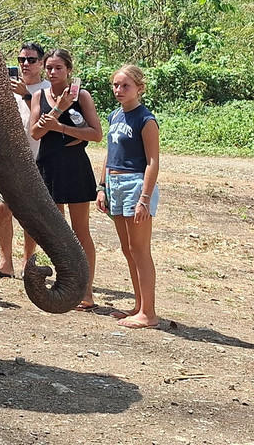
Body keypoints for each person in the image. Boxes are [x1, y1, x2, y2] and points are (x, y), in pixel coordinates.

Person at [30, 48, 103, 311]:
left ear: (69, 70)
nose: (53, 72)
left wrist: (60, 125)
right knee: (55, 230)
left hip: (74, 167)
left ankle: (87, 291)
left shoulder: (80, 96)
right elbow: (35, 133)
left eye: (58, 68)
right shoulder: (39, 95)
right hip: (48, 167)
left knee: (80, 230)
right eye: (49, 68)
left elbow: (96, 134)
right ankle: (64, 284)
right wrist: (56, 110)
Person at [97, 64, 161, 329]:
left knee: (140, 250)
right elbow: (109, 153)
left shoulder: (145, 120)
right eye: (115, 85)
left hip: (135, 185)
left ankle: (149, 313)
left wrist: (144, 198)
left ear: (139, 88)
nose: (119, 90)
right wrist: (101, 187)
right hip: (114, 183)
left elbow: (153, 161)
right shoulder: (115, 116)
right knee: (127, 249)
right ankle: (138, 306)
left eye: (125, 85)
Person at [0, 43, 48, 279]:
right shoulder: (8, 88)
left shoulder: (48, 89)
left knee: (31, 213)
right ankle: (5, 263)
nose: (25, 64)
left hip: (38, 159)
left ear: (41, 63)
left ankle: (28, 262)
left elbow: (43, 122)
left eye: (31, 60)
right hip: (10, 158)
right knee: (3, 208)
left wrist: (26, 95)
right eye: (21, 60)